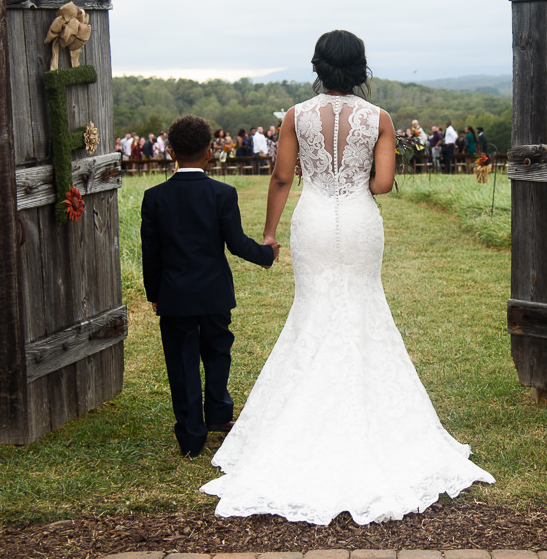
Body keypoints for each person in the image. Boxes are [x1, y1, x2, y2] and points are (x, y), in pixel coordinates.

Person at [201, 30, 493, 524]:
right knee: (363, 306)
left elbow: (281, 177)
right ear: (360, 68)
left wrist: (269, 233)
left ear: (318, 66)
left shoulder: (296, 115)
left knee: (312, 310)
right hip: (358, 221)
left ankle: (298, 426)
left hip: (312, 221)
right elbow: (381, 184)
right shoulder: (378, 119)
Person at [141, 115, 278, 458]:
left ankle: (191, 435)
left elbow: (151, 253)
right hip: (215, 293)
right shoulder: (222, 193)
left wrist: (154, 294)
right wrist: (265, 254)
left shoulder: (154, 197)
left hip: (174, 295)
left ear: (171, 152)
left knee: (182, 361)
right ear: (210, 153)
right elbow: (234, 243)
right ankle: (218, 414)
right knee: (218, 352)